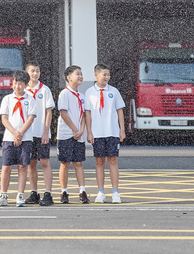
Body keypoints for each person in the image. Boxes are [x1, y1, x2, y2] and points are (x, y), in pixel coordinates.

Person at [84, 63, 126, 204]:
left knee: (113, 160)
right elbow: (87, 114)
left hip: (112, 131)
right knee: (99, 161)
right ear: (96, 75)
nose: (107, 77)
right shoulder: (90, 92)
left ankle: (115, 192)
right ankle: (100, 192)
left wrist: (122, 129)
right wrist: (89, 132)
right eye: (104, 74)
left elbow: (120, 110)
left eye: (108, 74)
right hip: (97, 132)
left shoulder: (114, 91)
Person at [0, 70, 36, 207]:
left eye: (21, 84)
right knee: (6, 167)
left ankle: (20, 195)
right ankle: (3, 195)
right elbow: (4, 119)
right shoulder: (7, 99)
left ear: (26, 85)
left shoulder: (30, 99)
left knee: (22, 167)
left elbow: (30, 118)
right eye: (15, 83)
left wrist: (21, 133)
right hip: (9, 138)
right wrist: (14, 133)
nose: (17, 87)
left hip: (26, 138)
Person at [57, 65, 89, 205]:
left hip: (78, 134)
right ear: (69, 77)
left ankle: (82, 191)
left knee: (78, 163)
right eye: (77, 74)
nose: (80, 76)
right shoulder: (64, 94)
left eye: (81, 74)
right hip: (66, 134)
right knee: (65, 163)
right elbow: (63, 113)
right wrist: (74, 129)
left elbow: (83, 115)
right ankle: (64, 191)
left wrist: (81, 130)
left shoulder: (82, 96)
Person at [26, 62, 56, 206]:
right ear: (27, 72)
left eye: (37, 71)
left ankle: (48, 193)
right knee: (31, 164)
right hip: (28, 134)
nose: (35, 74)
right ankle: (34, 192)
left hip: (41, 131)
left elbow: (48, 112)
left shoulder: (45, 90)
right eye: (32, 71)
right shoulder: (23, 90)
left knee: (44, 161)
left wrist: (46, 131)